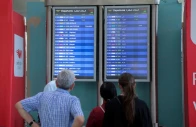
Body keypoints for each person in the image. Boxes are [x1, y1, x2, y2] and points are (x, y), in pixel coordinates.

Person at [15, 69, 84, 127]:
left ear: (56, 83)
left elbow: (19, 105)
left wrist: (32, 123)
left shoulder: (41, 96)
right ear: (72, 86)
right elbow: (80, 119)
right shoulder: (73, 100)